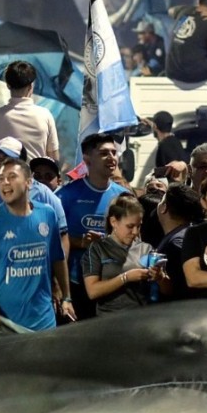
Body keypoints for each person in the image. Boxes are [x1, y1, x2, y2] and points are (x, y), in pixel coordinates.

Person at [0, 158, 69, 330]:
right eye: (1, 178)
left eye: (12, 177)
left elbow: (58, 258)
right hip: (6, 325)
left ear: (28, 182)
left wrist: (66, 297)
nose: (5, 182)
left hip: (44, 322)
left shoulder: (48, 215)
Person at [56, 133, 129, 320]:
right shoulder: (65, 196)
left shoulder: (124, 197)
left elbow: (136, 240)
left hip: (111, 284)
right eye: (104, 153)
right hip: (75, 284)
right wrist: (80, 242)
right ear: (87, 159)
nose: (112, 157)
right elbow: (51, 242)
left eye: (114, 152)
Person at [83, 194, 160, 315]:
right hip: (109, 321)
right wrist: (126, 277)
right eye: (130, 226)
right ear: (114, 222)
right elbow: (92, 291)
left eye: (139, 226)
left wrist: (160, 277)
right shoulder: (98, 248)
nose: (135, 232)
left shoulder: (146, 249)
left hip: (140, 319)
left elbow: (165, 289)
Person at [0, 60, 61, 164]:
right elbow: (53, 154)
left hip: (9, 175)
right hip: (36, 177)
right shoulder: (45, 114)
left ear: (8, 85)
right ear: (31, 86)